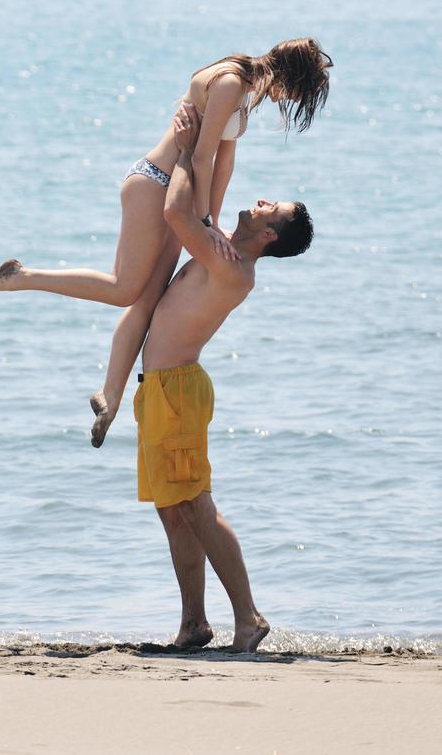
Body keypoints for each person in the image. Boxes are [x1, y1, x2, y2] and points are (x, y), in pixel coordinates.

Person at [0, 38, 331, 441]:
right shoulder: (231, 81)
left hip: (179, 193)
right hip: (157, 182)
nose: (292, 100)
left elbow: (224, 161)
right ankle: (21, 276)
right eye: (300, 92)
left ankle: (110, 398)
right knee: (124, 289)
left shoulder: (244, 91)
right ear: (293, 78)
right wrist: (206, 221)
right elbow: (199, 156)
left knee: (147, 299)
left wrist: (212, 221)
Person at [121, 100, 314, 651]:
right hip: (158, 391)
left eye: (271, 207)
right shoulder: (222, 250)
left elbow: (178, 214)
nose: (260, 203)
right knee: (173, 511)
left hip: (178, 390)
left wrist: (183, 148)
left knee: (197, 506)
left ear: (271, 235)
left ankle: (248, 618)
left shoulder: (232, 266)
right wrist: (216, 140)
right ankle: (193, 623)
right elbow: (203, 201)